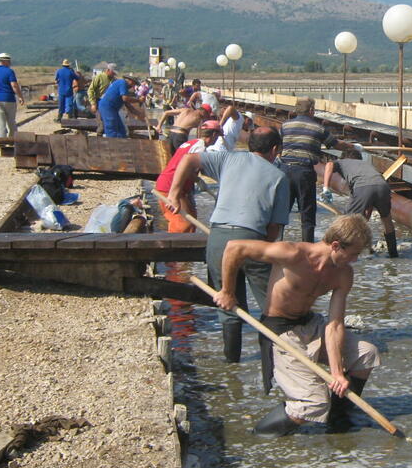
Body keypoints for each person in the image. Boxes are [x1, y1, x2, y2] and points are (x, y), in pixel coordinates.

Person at [211, 214, 381, 435]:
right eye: (354, 254)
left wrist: (338, 373)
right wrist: (227, 291)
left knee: (367, 354)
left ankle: (338, 420)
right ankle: (258, 436)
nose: (355, 260)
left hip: (310, 324)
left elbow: (335, 325)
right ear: (336, 246)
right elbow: (235, 247)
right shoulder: (293, 253)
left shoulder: (343, 273)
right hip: (279, 330)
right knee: (315, 402)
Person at [164, 126, 289, 366]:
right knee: (272, 306)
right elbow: (273, 230)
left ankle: (232, 365)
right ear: (275, 150)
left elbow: (188, 158)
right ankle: (274, 365)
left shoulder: (228, 158)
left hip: (219, 239)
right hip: (253, 240)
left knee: (228, 304)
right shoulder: (279, 177)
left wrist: (174, 193)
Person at [279, 97, 350, 243]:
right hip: (304, 172)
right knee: (307, 215)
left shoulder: (285, 126)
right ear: (311, 110)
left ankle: (276, 247)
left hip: (284, 171)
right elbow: (336, 144)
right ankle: (307, 249)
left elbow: (279, 145)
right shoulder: (318, 128)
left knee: (281, 214)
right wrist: (353, 147)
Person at [321, 148, 399, 257]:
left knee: (346, 221)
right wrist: (364, 220)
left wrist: (326, 188)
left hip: (363, 186)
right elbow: (370, 203)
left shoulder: (342, 162)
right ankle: (393, 254)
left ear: (343, 157)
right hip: (383, 186)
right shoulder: (364, 165)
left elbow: (329, 165)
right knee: (386, 219)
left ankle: (337, 253)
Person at [154, 120, 224, 232]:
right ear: (214, 135)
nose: (217, 140)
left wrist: (197, 179)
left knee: (191, 221)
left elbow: (185, 169)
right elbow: (184, 170)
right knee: (182, 225)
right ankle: (173, 247)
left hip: (173, 186)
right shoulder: (200, 148)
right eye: (218, 136)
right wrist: (198, 180)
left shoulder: (191, 143)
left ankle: (189, 247)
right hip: (170, 188)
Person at [0, 53, 25, 138]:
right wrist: (20, 97)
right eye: (9, 61)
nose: (10, 63)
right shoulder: (9, 71)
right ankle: (12, 140)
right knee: (11, 121)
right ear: (5, 61)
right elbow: (14, 85)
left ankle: (1, 142)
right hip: (9, 99)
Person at [88, 63, 118, 135]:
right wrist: (93, 103)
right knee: (101, 124)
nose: (113, 75)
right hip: (99, 102)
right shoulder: (99, 77)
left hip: (109, 104)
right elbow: (91, 90)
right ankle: (99, 138)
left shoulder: (114, 80)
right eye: (112, 73)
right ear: (108, 70)